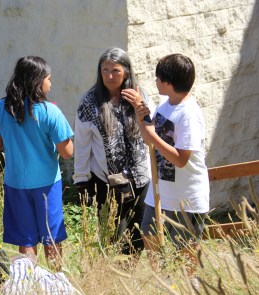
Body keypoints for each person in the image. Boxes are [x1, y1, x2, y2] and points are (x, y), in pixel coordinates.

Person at [123, 53, 209, 281]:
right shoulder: (165, 105)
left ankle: (188, 286)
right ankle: (163, 282)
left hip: (186, 197)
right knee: (149, 235)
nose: (155, 81)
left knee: (186, 250)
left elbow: (182, 159)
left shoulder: (189, 114)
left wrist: (153, 135)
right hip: (160, 191)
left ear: (168, 82)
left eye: (158, 78)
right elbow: (149, 139)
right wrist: (141, 116)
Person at [0, 56, 74, 268]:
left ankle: (27, 284)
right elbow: (67, 152)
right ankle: (56, 282)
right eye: (49, 79)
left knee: (25, 239)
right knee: (51, 236)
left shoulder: (1, 108)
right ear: (37, 81)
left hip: (15, 182)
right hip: (47, 184)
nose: (50, 84)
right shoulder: (50, 111)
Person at [73, 47, 153, 255]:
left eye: (115, 70)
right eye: (105, 70)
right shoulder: (90, 102)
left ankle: (130, 278)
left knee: (138, 235)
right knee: (112, 234)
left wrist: (141, 109)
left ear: (126, 71)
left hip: (141, 179)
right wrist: (82, 179)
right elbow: (82, 144)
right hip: (108, 183)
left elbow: (153, 131)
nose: (109, 76)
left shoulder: (140, 95)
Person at [0, 246, 75, 294]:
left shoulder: (10, 291)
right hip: (63, 284)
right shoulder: (17, 267)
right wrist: (8, 261)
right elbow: (32, 256)